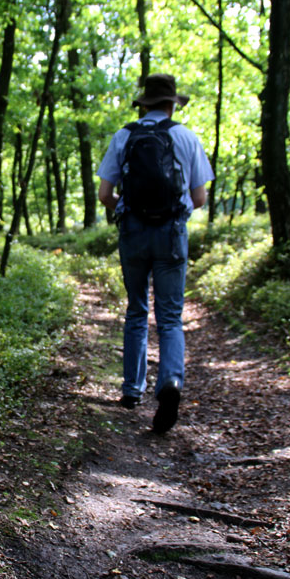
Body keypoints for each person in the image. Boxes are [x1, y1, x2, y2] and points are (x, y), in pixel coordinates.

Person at [96, 73, 213, 434]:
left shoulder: (124, 136)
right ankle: (171, 382)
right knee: (170, 316)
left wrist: (126, 209)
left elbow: (104, 193)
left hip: (133, 232)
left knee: (136, 309)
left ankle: (132, 390)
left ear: (144, 104)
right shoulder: (186, 136)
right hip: (171, 234)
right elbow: (198, 198)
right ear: (172, 103)